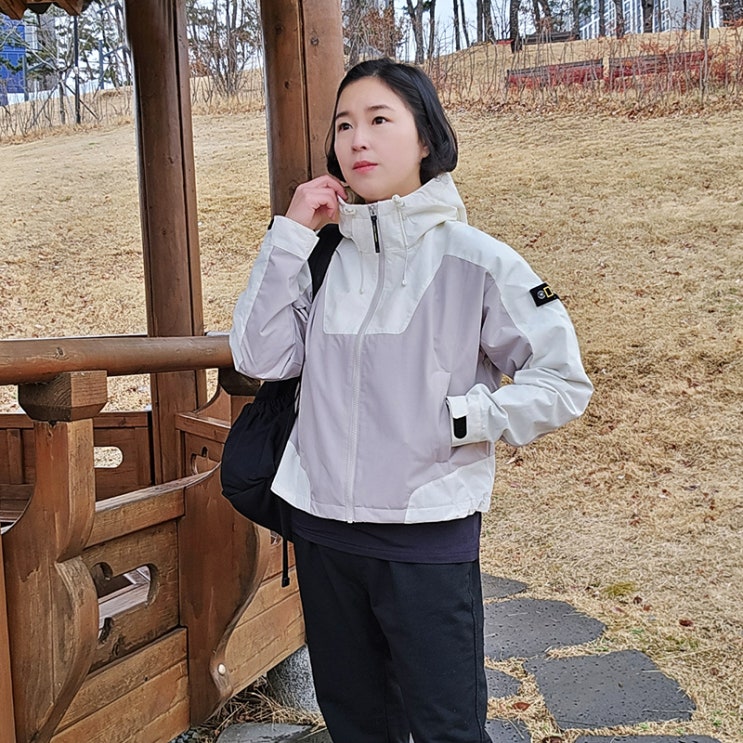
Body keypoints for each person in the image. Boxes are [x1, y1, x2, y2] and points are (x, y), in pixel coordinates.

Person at [229, 58, 593, 743]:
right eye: (343, 125)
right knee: (356, 726)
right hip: (323, 531)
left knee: (447, 729)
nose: (357, 140)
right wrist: (291, 234)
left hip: (426, 533)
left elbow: (562, 380)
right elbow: (258, 357)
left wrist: (465, 417)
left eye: (378, 120)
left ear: (425, 137)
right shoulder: (320, 257)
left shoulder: (478, 260)